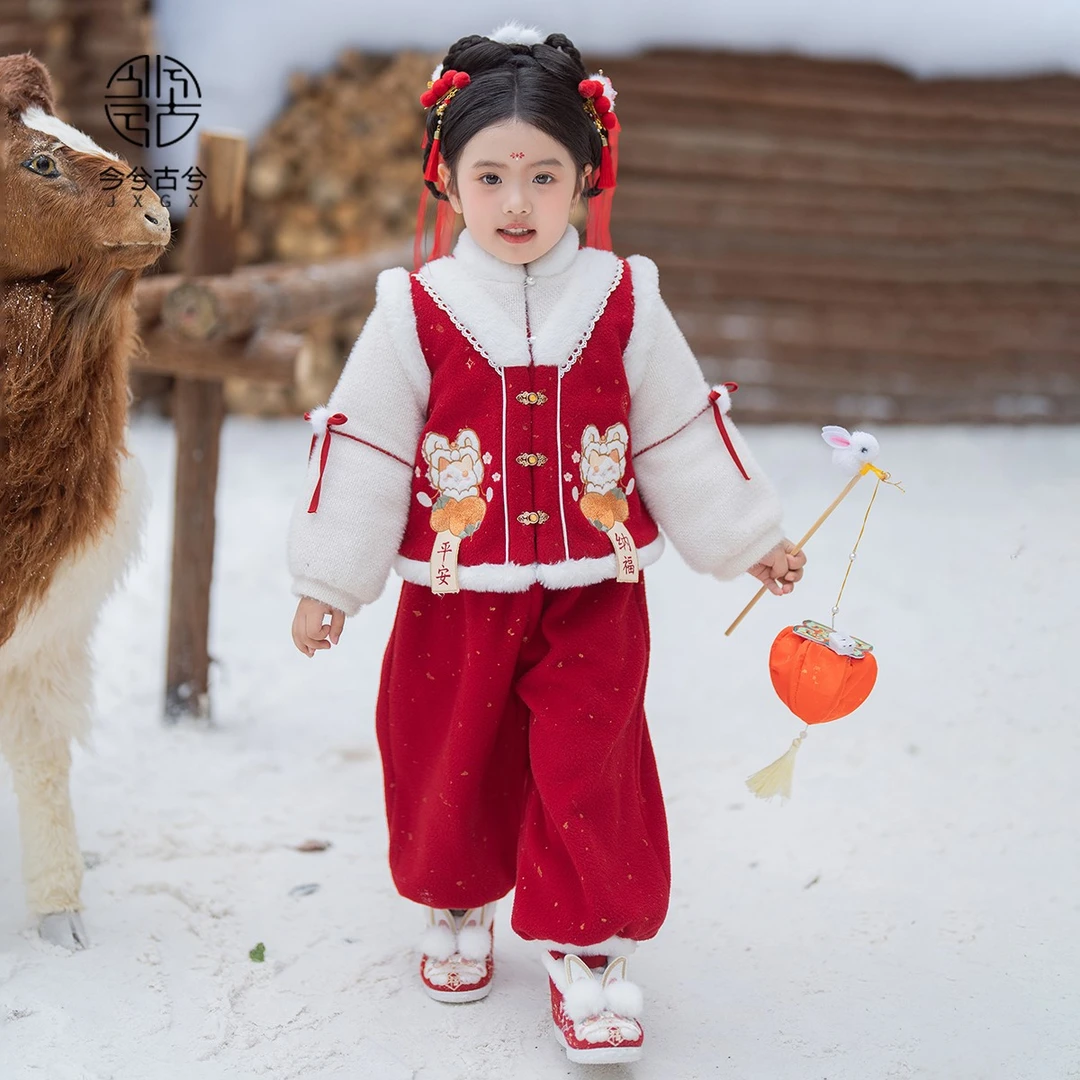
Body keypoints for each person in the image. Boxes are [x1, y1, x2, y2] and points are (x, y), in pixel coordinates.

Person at [287, 23, 806, 1065]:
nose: (515, 204)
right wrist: (330, 579)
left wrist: (747, 537)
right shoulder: (416, 311)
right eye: (490, 177)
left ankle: (587, 946)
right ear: (449, 180)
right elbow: (369, 445)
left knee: (590, 761)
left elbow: (674, 431)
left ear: (584, 178)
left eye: (542, 175)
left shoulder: (624, 300)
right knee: (450, 750)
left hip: (594, 590)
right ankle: (460, 899)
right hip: (456, 587)